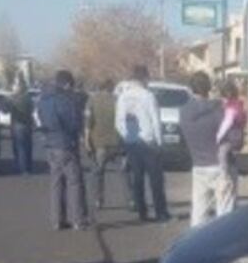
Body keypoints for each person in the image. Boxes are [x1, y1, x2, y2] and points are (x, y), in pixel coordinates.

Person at [116, 65, 168, 223]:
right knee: (156, 180)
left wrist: (128, 137)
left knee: (137, 179)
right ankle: (161, 213)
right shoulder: (148, 96)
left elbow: (119, 122)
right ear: (144, 78)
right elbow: (155, 121)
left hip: (133, 143)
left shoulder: (123, 97)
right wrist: (159, 143)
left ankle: (142, 213)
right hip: (149, 142)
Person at [38, 69, 90, 230]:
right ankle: (78, 219)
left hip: (50, 144)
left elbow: (39, 118)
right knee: (74, 182)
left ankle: (57, 220)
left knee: (56, 182)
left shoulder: (43, 99)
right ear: (67, 84)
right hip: (66, 144)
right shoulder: (66, 101)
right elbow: (73, 123)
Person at [179, 71, 228, 227]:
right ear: (208, 88)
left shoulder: (184, 111)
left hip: (198, 165)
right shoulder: (218, 110)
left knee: (199, 211)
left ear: (191, 88)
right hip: (219, 165)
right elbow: (227, 137)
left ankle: (196, 242)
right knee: (224, 211)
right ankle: (224, 242)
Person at [85, 79, 130, 210]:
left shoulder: (92, 100)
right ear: (111, 88)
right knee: (124, 172)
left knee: (98, 173)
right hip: (117, 143)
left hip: (99, 143)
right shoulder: (118, 100)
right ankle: (130, 199)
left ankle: (99, 200)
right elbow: (124, 122)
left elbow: (88, 123)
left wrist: (87, 141)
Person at [216, 80, 246, 206]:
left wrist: (217, 138)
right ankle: (234, 200)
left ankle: (225, 182)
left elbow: (226, 124)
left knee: (224, 163)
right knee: (233, 168)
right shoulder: (239, 105)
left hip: (229, 139)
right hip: (237, 139)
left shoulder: (231, 106)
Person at [9, 75, 34, 174]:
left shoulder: (16, 98)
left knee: (19, 147)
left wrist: (10, 99)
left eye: (15, 85)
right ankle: (27, 166)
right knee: (27, 147)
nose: (13, 87)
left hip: (18, 125)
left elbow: (6, 109)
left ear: (20, 86)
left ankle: (22, 168)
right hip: (27, 124)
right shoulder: (28, 97)